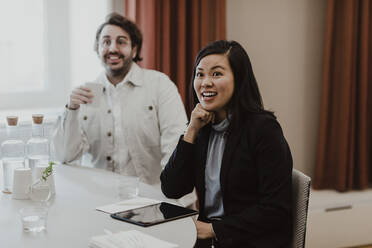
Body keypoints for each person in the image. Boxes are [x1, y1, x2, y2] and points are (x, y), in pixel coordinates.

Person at [160, 40, 293, 247]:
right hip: (210, 239)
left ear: (238, 80)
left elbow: (276, 209)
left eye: (216, 74)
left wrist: (213, 229)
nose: (205, 82)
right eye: (200, 74)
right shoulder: (202, 128)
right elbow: (172, 188)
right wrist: (191, 130)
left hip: (250, 240)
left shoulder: (263, 129)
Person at [53, 13, 187, 186]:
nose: (113, 48)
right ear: (98, 49)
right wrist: (70, 110)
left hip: (152, 197)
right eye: (106, 42)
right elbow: (66, 157)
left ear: (135, 49)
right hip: (101, 199)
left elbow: (174, 145)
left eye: (121, 41)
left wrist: (168, 195)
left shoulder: (160, 85)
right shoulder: (85, 95)